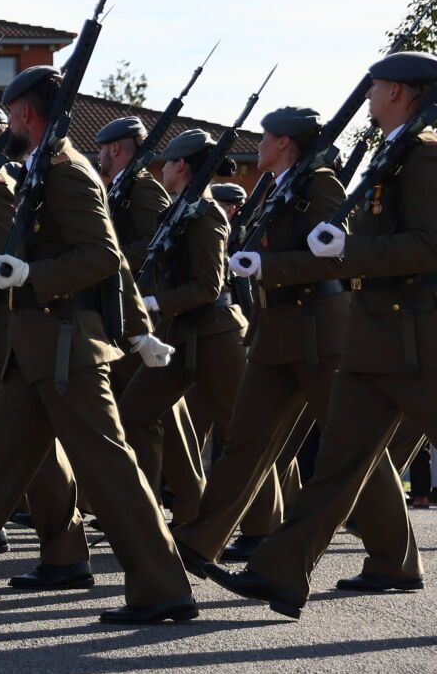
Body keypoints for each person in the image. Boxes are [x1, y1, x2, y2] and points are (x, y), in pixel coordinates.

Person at [0, 64, 197, 625]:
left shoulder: (67, 171)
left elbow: (103, 255)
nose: (8, 124)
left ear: (24, 112)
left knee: (109, 469)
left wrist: (35, 277)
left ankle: (162, 587)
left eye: (11, 113)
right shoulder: (41, 168)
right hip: (35, 348)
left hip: (68, 347)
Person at [211, 52, 437, 618]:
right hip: (373, 337)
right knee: (336, 465)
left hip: (418, 339)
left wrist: (347, 250)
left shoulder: (425, 156)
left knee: (340, 463)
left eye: (376, 86)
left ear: (398, 92)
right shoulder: (397, 152)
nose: (369, 96)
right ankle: (282, 573)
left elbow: (428, 246)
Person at [172, 105, 419, 590]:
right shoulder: (279, 186)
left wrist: (268, 267)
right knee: (246, 440)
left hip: (319, 333)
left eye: (266, 137)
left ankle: (395, 561)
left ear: (285, 142)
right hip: (277, 331)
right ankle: (197, 542)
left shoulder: (320, 185)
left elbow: (335, 258)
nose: (259, 145)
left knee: (353, 449)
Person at [115, 129, 247, 525]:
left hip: (217, 335)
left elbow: (208, 285)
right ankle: (160, 511)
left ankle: (261, 528)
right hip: (180, 334)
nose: (162, 169)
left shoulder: (207, 215)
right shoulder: (178, 211)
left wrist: (154, 302)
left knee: (241, 435)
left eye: (169, 163)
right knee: (135, 413)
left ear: (182, 166)